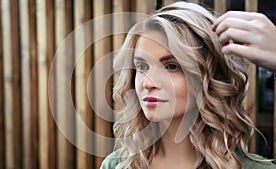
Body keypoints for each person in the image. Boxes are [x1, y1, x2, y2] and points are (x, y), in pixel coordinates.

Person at [101, 2, 276, 169]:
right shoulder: (116, 164)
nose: (148, 83)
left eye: (171, 66)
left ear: (207, 76)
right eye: (142, 67)